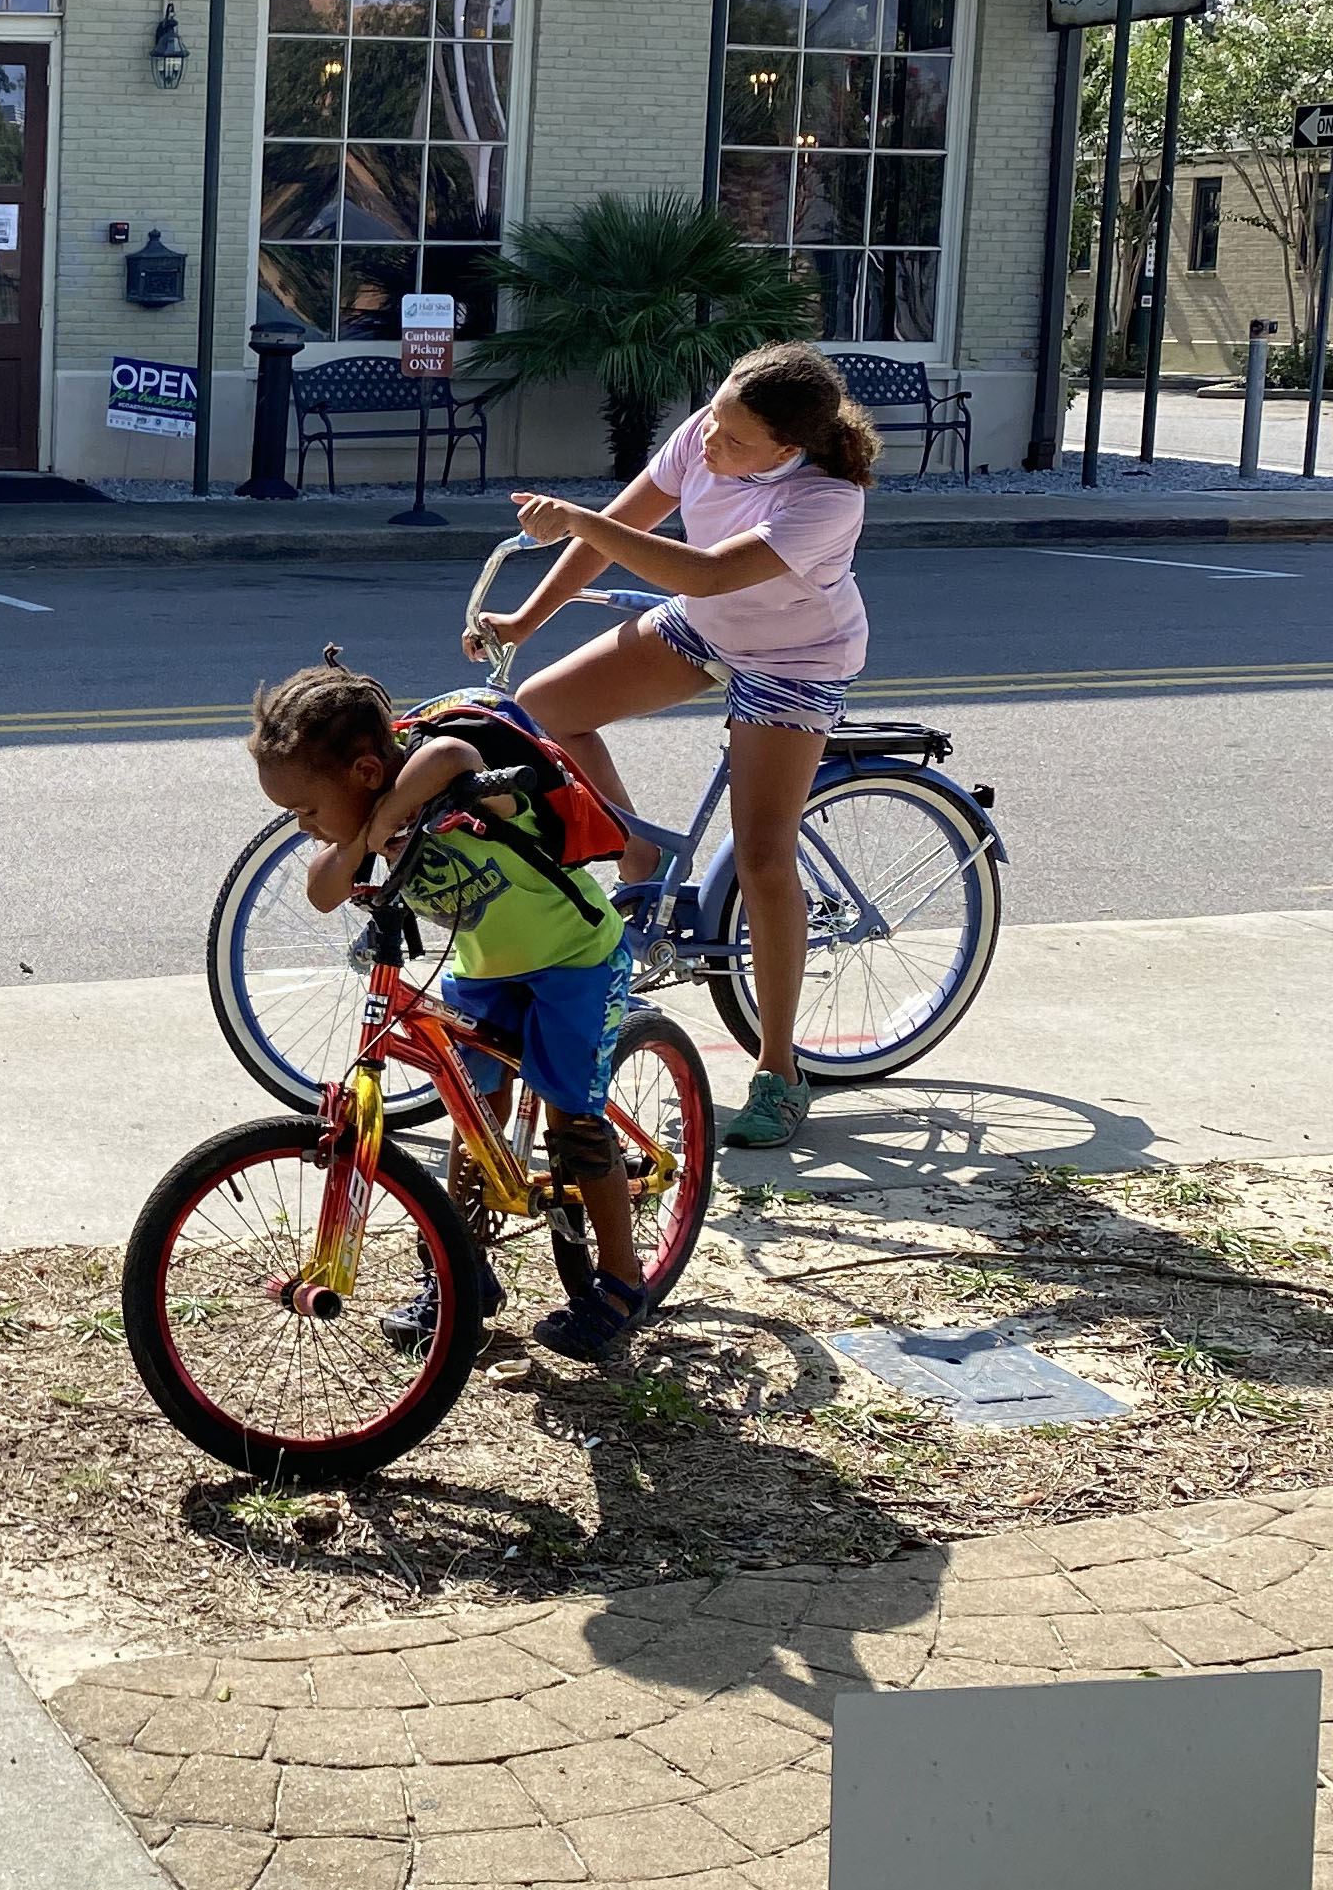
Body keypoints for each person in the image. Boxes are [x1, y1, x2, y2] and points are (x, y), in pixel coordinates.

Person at [470, 341, 879, 1153]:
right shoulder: (710, 429)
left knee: (763, 860)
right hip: (707, 627)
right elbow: (620, 530)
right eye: (713, 420)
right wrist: (524, 621)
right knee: (541, 709)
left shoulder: (825, 500)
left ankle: (780, 1071)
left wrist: (579, 520)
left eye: (731, 440)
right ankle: (639, 859)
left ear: (785, 450)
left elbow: (703, 572)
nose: (710, 444)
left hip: (792, 660)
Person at [249, 653, 648, 1361]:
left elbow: (450, 753)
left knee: (573, 1122)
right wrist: (357, 840)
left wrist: (386, 821)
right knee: (473, 1108)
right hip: (485, 970)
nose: (306, 825)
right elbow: (320, 889)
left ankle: (620, 1282)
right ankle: (462, 1271)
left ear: (368, 773)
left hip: (574, 961)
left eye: (308, 809)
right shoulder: (364, 814)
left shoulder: (461, 783)